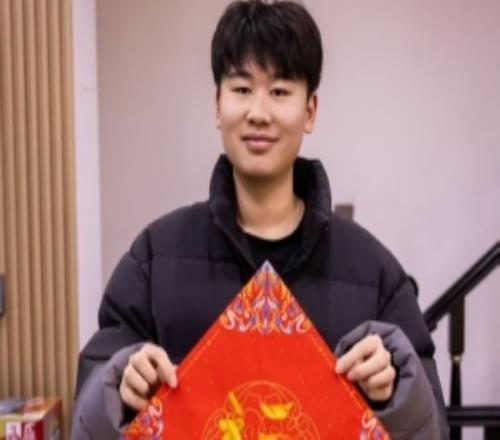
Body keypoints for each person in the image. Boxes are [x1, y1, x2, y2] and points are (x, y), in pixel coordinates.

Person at [71, 1, 449, 438]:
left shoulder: (373, 272)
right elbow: (86, 420)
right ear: (217, 105)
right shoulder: (153, 260)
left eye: (280, 91)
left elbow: (433, 428)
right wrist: (118, 388)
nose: (259, 112)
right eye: (242, 88)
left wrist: (395, 394)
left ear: (310, 111)